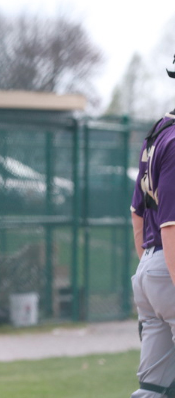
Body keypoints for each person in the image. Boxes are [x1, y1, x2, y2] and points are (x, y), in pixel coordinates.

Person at [130, 56, 175, 398]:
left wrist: (150, 270)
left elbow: (137, 213)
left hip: (150, 267)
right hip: (170, 266)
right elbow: (171, 224)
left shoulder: (159, 132)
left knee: (153, 388)